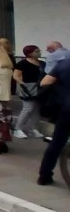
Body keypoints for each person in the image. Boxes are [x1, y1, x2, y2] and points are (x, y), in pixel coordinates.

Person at [37, 57, 70, 185]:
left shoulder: (64, 63)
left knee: (57, 143)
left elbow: (44, 82)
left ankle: (44, 176)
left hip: (66, 109)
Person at [13, 45, 45, 139]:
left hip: (39, 87)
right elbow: (16, 75)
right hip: (28, 86)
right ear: (29, 53)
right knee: (28, 108)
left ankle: (34, 129)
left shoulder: (42, 63)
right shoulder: (22, 63)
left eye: (39, 50)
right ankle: (17, 129)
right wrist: (22, 85)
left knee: (36, 109)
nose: (39, 52)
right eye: (36, 51)